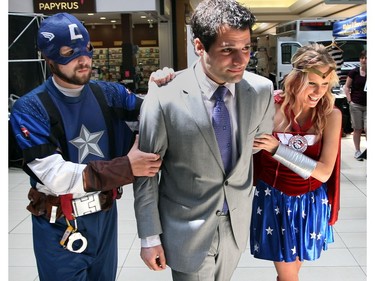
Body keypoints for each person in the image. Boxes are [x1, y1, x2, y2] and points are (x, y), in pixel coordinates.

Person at [8, 13, 172, 281]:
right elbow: (56, 176)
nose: (83, 59)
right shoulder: (30, 108)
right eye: (69, 52)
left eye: (87, 49)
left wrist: (161, 89)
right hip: (59, 224)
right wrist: (126, 167)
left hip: (104, 217)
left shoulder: (109, 93)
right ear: (49, 58)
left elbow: (154, 115)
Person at [133, 0, 274, 280]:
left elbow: (256, 146)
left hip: (235, 225)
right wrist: (149, 237)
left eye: (246, 48)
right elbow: (145, 173)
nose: (241, 60)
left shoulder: (261, 91)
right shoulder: (164, 95)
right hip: (187, 229)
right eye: (227, 50)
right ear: (199, 46)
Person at [250, 43, 342, 281]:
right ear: (295, 79)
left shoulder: (331, 115)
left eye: (324, 85)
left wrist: (277, 148)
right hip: (273, 198)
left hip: (310, 201)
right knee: (288, 273)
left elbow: (323, 173)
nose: (318, 92)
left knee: (292, 270)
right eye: (311, 83)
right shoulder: (270, 105)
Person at [343, 50, 367, 160]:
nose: (364, 60)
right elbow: (346, 87)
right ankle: (357, 150)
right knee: (357, 128)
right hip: (356, 104)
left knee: (368, 128)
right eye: (362, 58)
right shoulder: (354, 72)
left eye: (366, 58)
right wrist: (349, 100)